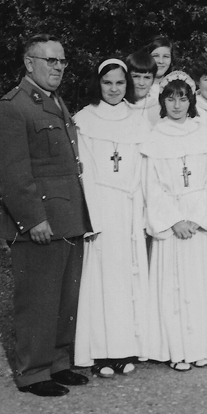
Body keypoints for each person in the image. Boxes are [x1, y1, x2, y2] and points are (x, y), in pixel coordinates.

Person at [0, 34, 92, 397]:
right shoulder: (14, 106)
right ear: (29, 63)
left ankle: (58, 363)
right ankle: (33, 372)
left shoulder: (54, 102)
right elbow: (11, 173)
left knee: (64, 297)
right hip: (41, 220)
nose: (59, 67)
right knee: (38, 299)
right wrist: (33, 219)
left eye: (62, 61)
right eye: (51, 60)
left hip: (67, 217)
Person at [141, 74, 207, 370]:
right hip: (173, 219)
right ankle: (177, 350)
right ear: (162, 102)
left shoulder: (204, 134)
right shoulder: (155, 136)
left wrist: (198, 218)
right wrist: (175, 220)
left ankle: (202, 346)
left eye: (183, 98)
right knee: (174, 286)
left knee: (201, 284)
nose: (176, 105)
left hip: (199, 220)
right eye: (170, 98)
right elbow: (151, 186)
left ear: (191, 102)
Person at [73, 58, 151, 378]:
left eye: (120, 83)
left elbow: (145, 168)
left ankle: (125, 349)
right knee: (101, 280)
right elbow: (84, 172)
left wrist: (142, 209)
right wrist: (91, 216)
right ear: (98, 84)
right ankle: (100, 353)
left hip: (129, 206)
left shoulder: (139, 119)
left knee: (126, 279)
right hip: (101, 205)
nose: (114, 89)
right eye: (108, 83)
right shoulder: (84, 119)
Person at [125, 49, 161, 126]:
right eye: (136, 76)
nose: (141, 83)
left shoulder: (158, 106)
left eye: (147, 78)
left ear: (153, 80)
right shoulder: (119, 103)